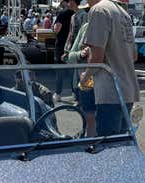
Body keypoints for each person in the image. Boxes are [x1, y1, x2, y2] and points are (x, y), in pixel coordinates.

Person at [83, 0, 138, 136]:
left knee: (107, 148)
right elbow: (134, 56)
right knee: (121, 146)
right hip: (127, 88)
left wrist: (85, 77)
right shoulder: (123, 13)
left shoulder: (99, 10)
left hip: (110, 90)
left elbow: (97, 58)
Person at [65, 20, 96, 136]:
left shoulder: (114, 25)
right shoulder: (85, 27)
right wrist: (81, 54)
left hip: (104, 84)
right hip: (85, 84)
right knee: (89, 121)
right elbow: (70, 56)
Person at [52, 1, 74, 102]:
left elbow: (57, 29)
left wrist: (53, 27)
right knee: (73, 72)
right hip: (73, 45)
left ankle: (58, 93)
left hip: (61, 45)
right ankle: (75, 93)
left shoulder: (62, 14)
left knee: (59, 71)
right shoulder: (76, 13)